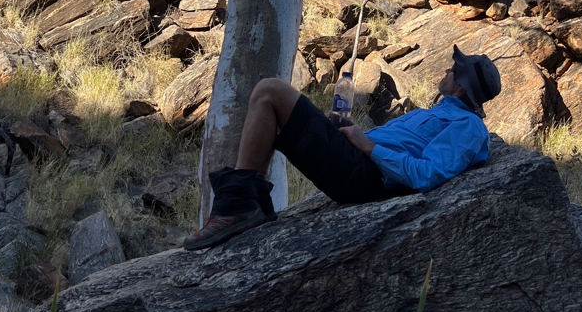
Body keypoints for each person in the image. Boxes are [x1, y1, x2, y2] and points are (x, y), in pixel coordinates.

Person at [184, 44, 502, 251]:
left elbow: (427, 174)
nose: (447, 70)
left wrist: (367, 147)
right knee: (274, 102)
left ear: (462, 84)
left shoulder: (469, 127)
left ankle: (238, 207)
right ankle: (243, 204)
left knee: (270, 91)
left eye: (453, 69)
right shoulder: (443, 111)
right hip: (358, 161)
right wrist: (349, 132)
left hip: (364, 175)